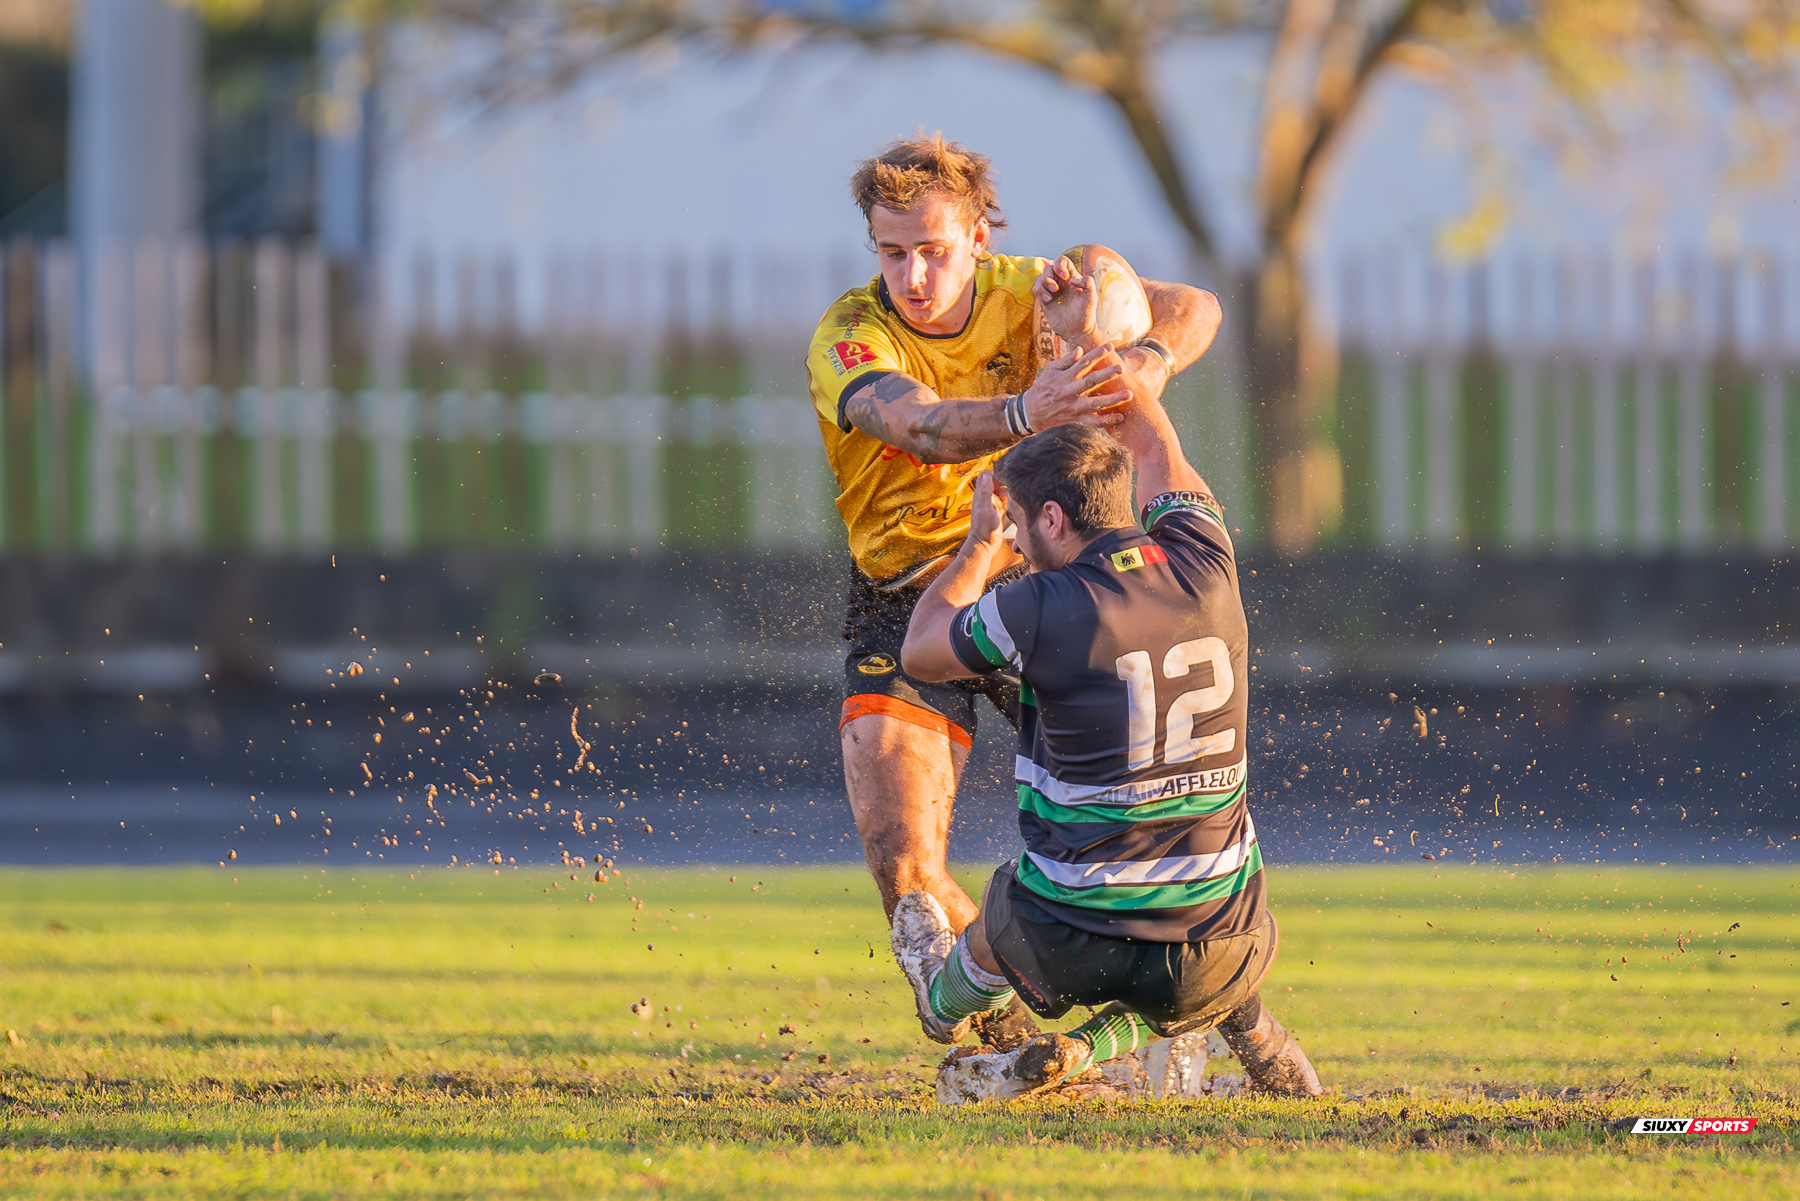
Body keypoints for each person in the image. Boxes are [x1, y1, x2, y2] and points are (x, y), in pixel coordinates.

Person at [803, 134, 1220, 1045]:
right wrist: (1030, 411)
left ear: (979, 237)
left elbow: (1196, 306)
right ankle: (1032, 1051)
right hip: (909, 598)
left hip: (1048, 586)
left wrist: (1143, 360)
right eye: (892, 251)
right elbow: (912, 423)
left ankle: (1217, 1015)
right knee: (906, 870)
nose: (913, 274)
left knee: (1143, 843)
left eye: (934, 249)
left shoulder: (1036, 290)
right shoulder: (849, 336)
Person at [892, 387, 1324, 1103]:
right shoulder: (1207, 559)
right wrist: (1098, 347)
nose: (1020, 544)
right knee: (1202, 960)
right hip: (1222, 945)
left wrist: (978, 544)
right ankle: (1108, 1049)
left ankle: (940, 1005)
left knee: (1002, 916)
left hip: (1067, 940)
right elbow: (1157, 446)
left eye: (1023, 527)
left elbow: (921, 650)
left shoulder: (1039, 603)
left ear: (1052, 517)